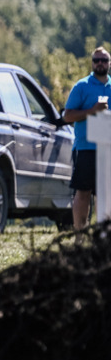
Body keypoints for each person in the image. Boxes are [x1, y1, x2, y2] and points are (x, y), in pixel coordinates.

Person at [63, 46, 111, 234]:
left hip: (108, 149)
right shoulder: (81, 86)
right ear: (92, 63)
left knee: (106, 195)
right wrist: (92, 111)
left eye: (104, 60)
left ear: (109, 64)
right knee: (83, 193)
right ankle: (79, 236)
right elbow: (67, 116)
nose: (100, 63)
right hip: (85, 148)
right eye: (96, 60)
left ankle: (103, 236)